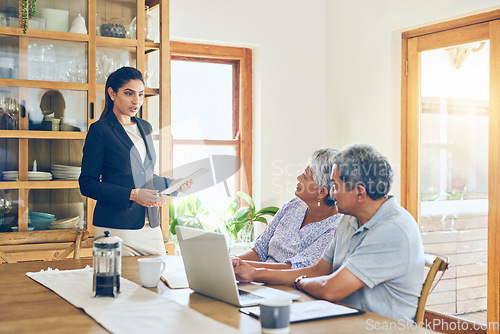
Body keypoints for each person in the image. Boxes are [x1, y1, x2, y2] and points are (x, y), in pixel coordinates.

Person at [232, 144, 425, 322]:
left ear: (359, 192)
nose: (331, 193)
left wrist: (299, 282)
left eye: (335, 185)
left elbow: (331, 289)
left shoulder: (393, 229)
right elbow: (318, 271)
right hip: (340, 317)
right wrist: (254, 272)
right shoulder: (350, 218)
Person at [79, 66, 192, 256]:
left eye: (140, 94)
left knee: (157, 282)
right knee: (122, 285)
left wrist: (171, 184)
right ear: (112, 94)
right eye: (129, 93)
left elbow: (144, 176)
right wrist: (132, 194)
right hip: (116, 228)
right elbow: (87, 184)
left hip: (150, 226)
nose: (136, 101)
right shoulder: (100, 130)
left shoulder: (145, 127)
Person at [236, 148, 342, 269]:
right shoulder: (294, 205)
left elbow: (295, 269)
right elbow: (259, 250)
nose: (298, 178)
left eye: (305, 177)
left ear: (321, 192)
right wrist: (232, 261)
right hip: (255, 279)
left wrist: (248, 269)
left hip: (286, 285)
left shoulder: (335, 228)